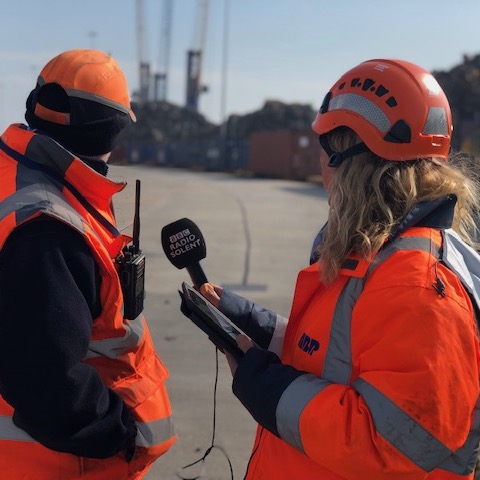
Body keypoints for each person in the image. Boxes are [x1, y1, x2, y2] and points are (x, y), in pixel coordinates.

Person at [200, 59, 480, 479]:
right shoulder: (379, 257)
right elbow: (343, 358)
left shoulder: (416, 287)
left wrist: (265, 387)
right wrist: (263, 330)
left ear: (347, 157)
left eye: (325, 146)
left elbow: (394, 443)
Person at [0, 49, 176, 479]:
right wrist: (115, 433)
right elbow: (46, 381)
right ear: (111, 133)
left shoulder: (17, 181)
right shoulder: (50, 227)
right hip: (54, 465)